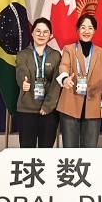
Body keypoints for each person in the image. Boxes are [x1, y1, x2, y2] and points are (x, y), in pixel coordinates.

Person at [55, 14, 102, 147]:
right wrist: (65, 78)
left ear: (94, 31)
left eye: (90, 28)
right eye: (83, 27)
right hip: (70, 104)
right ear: (78, 29)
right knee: (70, 148)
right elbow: (64, 65)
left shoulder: (100, 52)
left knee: (90, 149)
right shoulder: (69, 49)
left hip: (93, 105)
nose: (86, 31)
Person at [14, 18, 61, 148]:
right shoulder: (23, 54)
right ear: (32, 33)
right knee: (27, 150)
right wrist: (23, 82)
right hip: (26, 109)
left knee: (45, 151)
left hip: (48, 111)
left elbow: (56, 84)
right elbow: (21, 71)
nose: (41, 35)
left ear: (50, 35)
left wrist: (48, 106)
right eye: (38, 31)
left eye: (45, 32)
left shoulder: (56, 55)